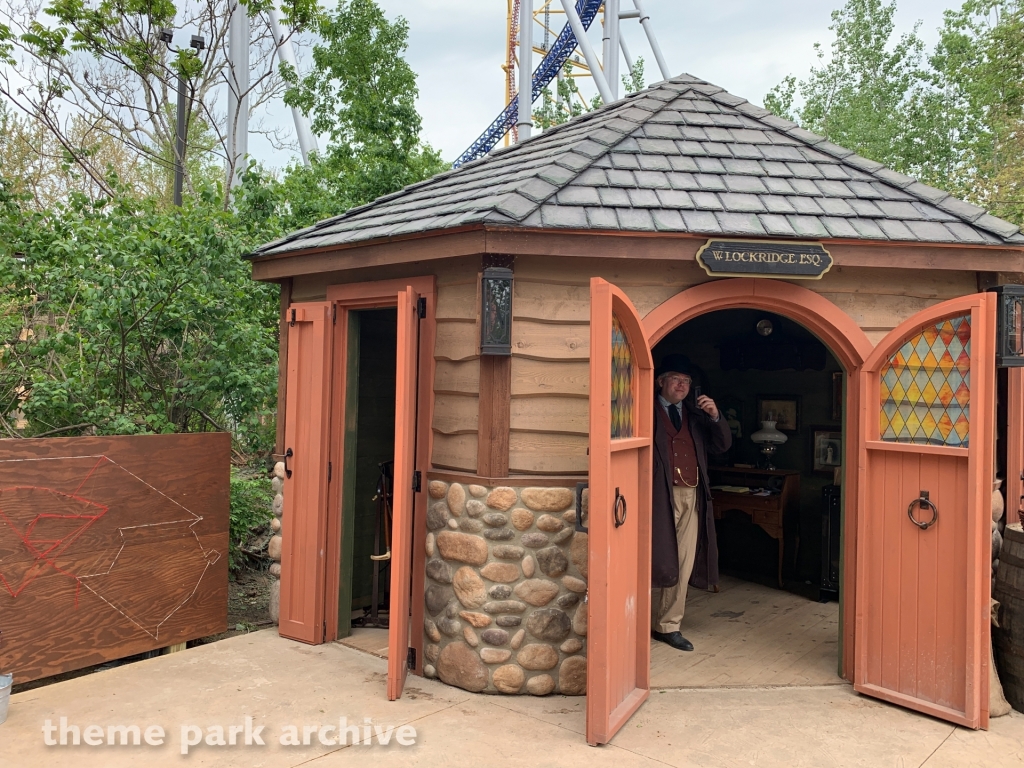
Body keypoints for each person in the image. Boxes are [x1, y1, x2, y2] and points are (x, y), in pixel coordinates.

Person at [651, 354, 732, 652]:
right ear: (661, 382)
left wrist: (715, 416)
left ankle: (668, 625)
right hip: (656, 494)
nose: (682, 385)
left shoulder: (696, 415)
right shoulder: (644, 411)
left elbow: (722, 446)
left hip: (690, 493)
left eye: (686, 381)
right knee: (650, 557)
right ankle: (630, 620)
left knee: (683, 561)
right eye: (676, 379)